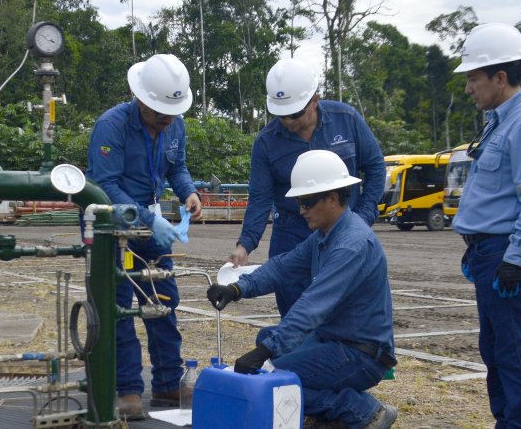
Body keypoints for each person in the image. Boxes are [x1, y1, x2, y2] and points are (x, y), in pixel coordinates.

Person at [208, 150, 398, 429]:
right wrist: (237, 289)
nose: (301, 210)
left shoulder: (351, 245)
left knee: (277, 380)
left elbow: (312, 306)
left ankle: (363, 411)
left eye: (307, 202)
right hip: (335, 341)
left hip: (360, 355)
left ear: (333, 198)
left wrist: (264, 352)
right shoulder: (326, 235)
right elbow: (282, 267)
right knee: (268, 340)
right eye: (299, 202)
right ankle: (328, 410)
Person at [453, 23, 521, 429]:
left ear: (500, 78)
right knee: (495, 349)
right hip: (489, 252)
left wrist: (515, 258)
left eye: (473, 78)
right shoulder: (501, 120)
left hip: (505, 253)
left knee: (513, 353)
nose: (468, 89)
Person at [86, 53, 204, 421]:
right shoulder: (112, 126)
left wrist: (189, 192)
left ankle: (168, 383)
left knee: (163, 299)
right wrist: (145, 219)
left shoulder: (175, 125)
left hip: (148, 222)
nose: (166, 121)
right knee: (120, 307)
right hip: (112, 224)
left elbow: (177, 168)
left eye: (171, 114)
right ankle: (128, 390)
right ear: (141, 99)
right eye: (159, 114)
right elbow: (104, 185)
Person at [228, 58, 386, 316]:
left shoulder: (346, 119)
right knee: (295, 314)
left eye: (296, 113)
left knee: (344, 311)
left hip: (342, 229)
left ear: (315, 98)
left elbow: (376, 167)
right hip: (291, 233)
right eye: (282, 115)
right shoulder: (267, 142)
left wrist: (362, 219)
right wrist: (244, 245)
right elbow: (260, 198)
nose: (289, 121)